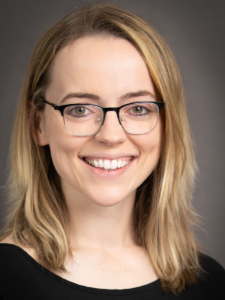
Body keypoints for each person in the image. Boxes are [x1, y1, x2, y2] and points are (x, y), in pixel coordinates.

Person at [0, 2, 224, 299]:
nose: (110, 135)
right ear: (39, 125)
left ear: (167, 126)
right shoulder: (6, 278)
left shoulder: (209, 282)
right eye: (79, 109)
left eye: (138, 108)